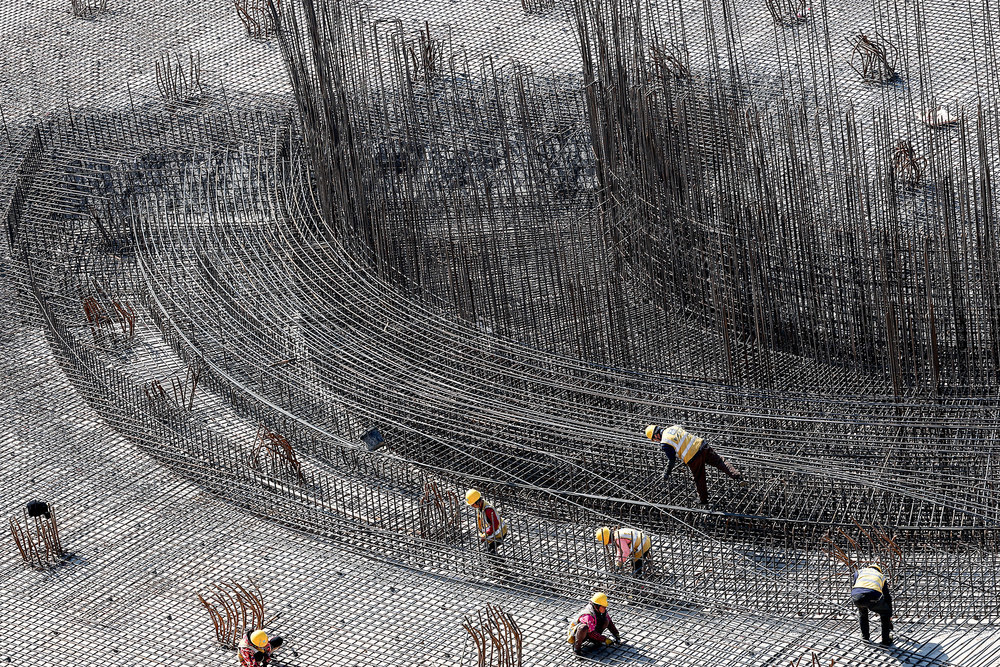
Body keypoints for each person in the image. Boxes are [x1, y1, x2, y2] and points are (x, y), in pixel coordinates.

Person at [645, 424, 745, 505]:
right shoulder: (673, 428)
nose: (656, 441)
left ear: (656, 435)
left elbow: (671, 459)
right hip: (702, 445)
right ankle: (737, 476)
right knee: (719, 461)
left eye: (654, 440)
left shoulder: (664, 442)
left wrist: (667, 472)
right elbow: (682, 441)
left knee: (699, 478)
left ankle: (703, 500)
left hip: (693, 458)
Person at [851, 563, 894, 645]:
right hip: (872, 596)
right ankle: (886, 639)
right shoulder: (881, 576)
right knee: (885, 613)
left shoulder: (859, 572)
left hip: (856, 596)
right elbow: (887, 596)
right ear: (879, 570)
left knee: (862, 613)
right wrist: (889, 613)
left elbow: (856, 584)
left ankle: (865, 637)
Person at [567, 592, 620, 656]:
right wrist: (604, 639)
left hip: (591, 631)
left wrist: (616, 634)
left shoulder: (601, 611)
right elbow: (591, 633)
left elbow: (610, 622)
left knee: (606, 620)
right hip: (578, 635)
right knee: (583, 628)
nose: (605, 608)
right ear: (597, 606)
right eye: (603, 607)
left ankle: (595, 640)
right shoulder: (588, 615)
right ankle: (577, 648)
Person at [465, 488, 508, 555]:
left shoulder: (488, 510)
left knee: (489, 551)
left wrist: (486, 534)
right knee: (486, 549)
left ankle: (500, 563)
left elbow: (495, 524)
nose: (472, 507)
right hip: (493, 533)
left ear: (478, 501)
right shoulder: (481, 507)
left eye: (473, 505)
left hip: (499, 533)